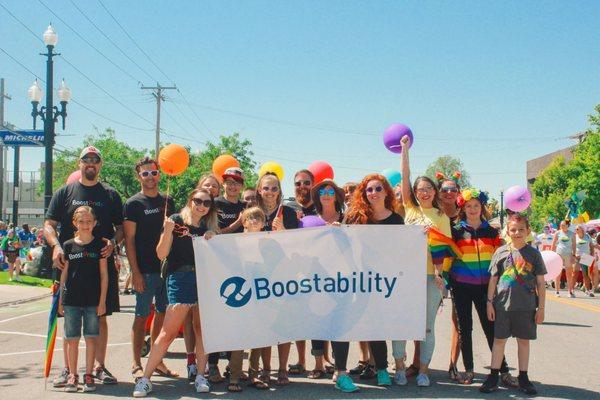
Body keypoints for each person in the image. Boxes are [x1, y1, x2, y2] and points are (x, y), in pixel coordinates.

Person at [45, 146, 123, 387]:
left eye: (95, 160)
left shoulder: (110, 194)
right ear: (79, 164)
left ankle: (99, 367)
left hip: (100, 267)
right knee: (68, 318)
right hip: (70, 265)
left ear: (100, 165)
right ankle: (68, 370)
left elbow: (121, 229)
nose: (91, 163)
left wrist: (113, 242)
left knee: (101, 316)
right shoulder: (65, 192)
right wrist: (56, 246)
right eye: (86, 159)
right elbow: (49, 225)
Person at [133, 188, 218, 397]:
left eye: (207, 203)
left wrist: (212, 238)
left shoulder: (208, 226)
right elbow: (161, 253)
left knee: (201, 331)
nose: (202, 206)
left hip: (203, 279)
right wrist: (168, 230)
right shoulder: (176, 219)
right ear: (190, 200)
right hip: (179, 278)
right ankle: (145, 379)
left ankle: (200, 375)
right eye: (198, 200)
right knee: (168, 332)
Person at [393, 134, 450, 387]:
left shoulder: (441, 216)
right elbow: (404, 176)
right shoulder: (410, 209)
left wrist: (440, 275)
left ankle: (424, 371)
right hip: (406, 276)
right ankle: (400, 367)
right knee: (400, 322)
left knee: (427, 326)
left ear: (434, 192)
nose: (424, 192)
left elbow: (444, 250)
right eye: (420, 189)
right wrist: (404, 150)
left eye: (428, 189)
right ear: (414, 193)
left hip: (430, 278)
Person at [449, 188, 518, 386]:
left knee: (491, 328)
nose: (472, 209)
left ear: (482, 208)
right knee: (465, 328)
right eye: (469, 206)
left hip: (486, 288)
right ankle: (469, 369)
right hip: (461, 285)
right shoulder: (456, 231)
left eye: (476, 206)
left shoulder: (491, 231)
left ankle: (502, 370)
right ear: (463, 208)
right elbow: (446, 255)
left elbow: (501, 259)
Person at [346, 173, 403, 387]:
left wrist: (418, 235)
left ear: (386, 191)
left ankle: (381, 368)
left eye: (378, 189)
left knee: (381, 323)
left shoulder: (396, 219)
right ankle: (378, 368)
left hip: (386, 281)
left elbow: (402, 248)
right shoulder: (357, 216)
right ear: (364, 193)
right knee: (369, 324)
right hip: (360, 279)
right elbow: (343, 239)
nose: (374, 193)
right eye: (369, 189)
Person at [480, 214, 546, 395]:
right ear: (507, 232)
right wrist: (489, 303)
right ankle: (493, 376)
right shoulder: (500, 252)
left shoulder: (534, 254)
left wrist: (541, 308)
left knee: (523, 342)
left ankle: (523, 377)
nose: (517, 233)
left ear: (528, 231)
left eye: (521, 229)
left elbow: (541, 283)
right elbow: (493, 280)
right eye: (513, 230)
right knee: (499, 340)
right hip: (502, 306)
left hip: (526, 307)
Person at [123, 157, 177, 381]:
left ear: (159, 175)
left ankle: (157, 361)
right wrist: (135, 273)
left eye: (153, 173)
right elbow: (129, 240)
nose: (150, 177)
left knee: (162, 317)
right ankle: (136, 363)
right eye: (145, 174)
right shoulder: (133, 204)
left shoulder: (168, 201)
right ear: (139, 177)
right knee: (141, 316)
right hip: (144, 270)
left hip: (166, 269)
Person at [309, 179, 359, 392]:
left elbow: (359, 246)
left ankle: (342, 371)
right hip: (315, 282)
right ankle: (319, 363)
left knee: (341, 326)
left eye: (330, 190)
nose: (326, 194)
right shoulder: (308, 221)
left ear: (337, 195)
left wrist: (345, 232)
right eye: (322, 191)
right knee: (318, 323)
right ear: (317, 197)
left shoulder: (348, 219)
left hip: (341, 282)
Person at [255, 172, 299, 385]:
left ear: (279, 191)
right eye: (266, 188)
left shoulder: (288, 213)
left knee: (284, 323)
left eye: (274, 189)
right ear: (259, 190)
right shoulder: (252, 212)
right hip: (261, 275)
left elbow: (299, 244)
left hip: (284, 275)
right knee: (265, 323)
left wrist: (283, 232)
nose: (270, 192)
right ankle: (266, 368)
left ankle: (282, 369)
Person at [58, 206, 108, 393]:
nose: (85, 225)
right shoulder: (68, 245)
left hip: (93, 301)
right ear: (74, 223)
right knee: (72, 338)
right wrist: (61, 299)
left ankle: (88, 374)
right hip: (71, 300)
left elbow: (104, 275)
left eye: (89, 221)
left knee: (91, 337)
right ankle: (73, 374)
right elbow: (64, 274)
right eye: (81, 221)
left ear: (94, 223)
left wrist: (102, 301)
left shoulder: (99, 245)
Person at [210, 167, 248, 387]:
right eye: (228, 182)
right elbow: (211, 234)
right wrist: (235, 225)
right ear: (223, 184)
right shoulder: (213, 204)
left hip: (239, 269)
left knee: (237, 320)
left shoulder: (246, 207)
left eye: (236, 182)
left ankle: (233, 367)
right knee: (217, 319)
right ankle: (212, 364)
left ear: (241, 185)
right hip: (215, 267)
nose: (232, 186)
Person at [236, 206, 270, 391]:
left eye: (258, 217)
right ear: (244, 222)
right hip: (242, 295)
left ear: (263, 222)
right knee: (240, 336)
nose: (254, 220)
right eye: (250, 218)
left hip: (261, 295)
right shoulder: (234, 242)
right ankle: (235, 374)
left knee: (258, 335)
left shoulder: (267, 242)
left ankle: (253, 374)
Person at [435, 173, 461, 381]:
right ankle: (417, 363)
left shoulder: (467, 214)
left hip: (461, 272)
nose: (449, 193)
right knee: (425, 317)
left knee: (458, 319)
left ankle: (453, 364)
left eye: (453, 189)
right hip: (436, 271)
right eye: (445, 189)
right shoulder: (432, 215)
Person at [551, 220, 576, 297]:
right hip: (559, 255)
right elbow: (553, 244)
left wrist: (574, 255)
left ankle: (570, 291)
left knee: (569, 274)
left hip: (568, 255)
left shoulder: (572, 234)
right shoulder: (557, 233)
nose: (561, 226)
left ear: (568, 226)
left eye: (563, 225)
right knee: (558, 273)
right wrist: (552, 254)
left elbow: (574, 245)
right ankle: (557, 291)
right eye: (561, 225)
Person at [574, 225, 595, 297]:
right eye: (575, 229)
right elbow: (571, 247)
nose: (576, 230)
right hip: (577, 257)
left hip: (586, 257)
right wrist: (574, 255)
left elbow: (591, 246)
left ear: (582, 229)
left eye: (577, 229)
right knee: (575, 273)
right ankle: (571, 290)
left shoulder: (587, 236)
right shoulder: (574, 236)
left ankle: (587, 290)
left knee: (586, 274)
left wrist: (592, 256)